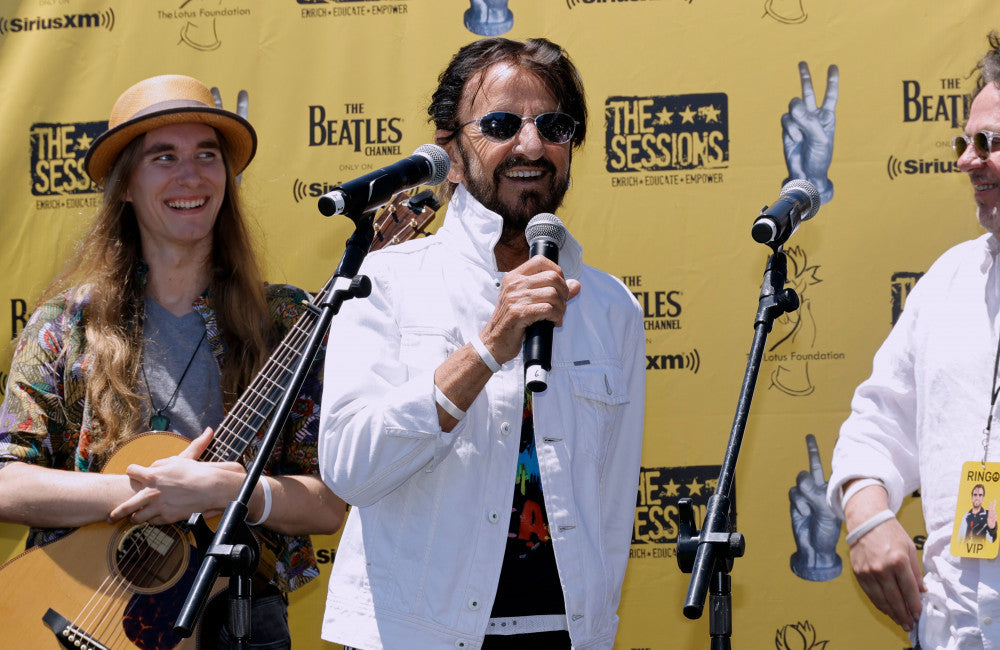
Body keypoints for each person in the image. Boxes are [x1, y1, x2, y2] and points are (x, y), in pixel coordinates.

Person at [317, 37, 645, 650]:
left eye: (554, 125)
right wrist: (489, 346)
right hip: (416, 639)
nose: (531, 145)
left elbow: (612, 501)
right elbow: (350, 471)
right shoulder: (383, 281)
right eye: (500, 125)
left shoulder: (611, 307)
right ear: (450, 150)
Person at [0, 74, 345, 648]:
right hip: (78, 609)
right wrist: (152, 494)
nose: (191, 175)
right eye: (164, 157)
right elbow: (6, 480)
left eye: (207, 155)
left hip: (235, 619)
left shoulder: (288, 321)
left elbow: (327, 503)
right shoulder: (65, 325)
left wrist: (226, 491)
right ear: (125, 186)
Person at [827, 31, 1000, 649]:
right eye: (964, 142)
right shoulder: (948, 283)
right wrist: (867, 514)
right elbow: (877, 425)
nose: (967, 160)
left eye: (989, 143)